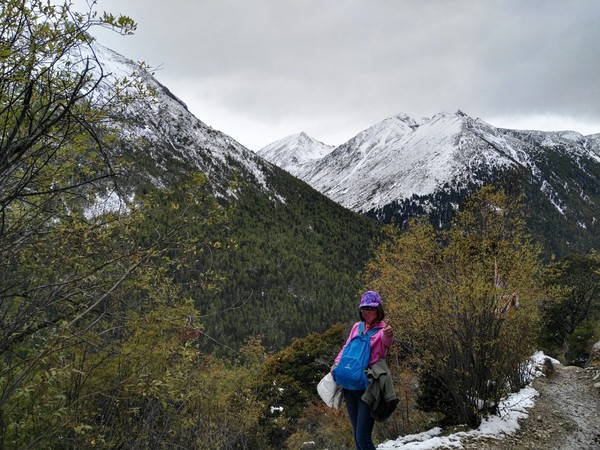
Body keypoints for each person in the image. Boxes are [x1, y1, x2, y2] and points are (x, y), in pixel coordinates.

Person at [333, 290, 393, 450]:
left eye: (371, 308)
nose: (367, 312)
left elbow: (386, 343)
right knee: (357, 437)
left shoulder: (382, 331)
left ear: (378, 309)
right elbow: (346, 347)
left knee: (363, 437)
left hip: (368, 387)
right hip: (350, 385)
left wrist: (389, 334)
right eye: (364, 308)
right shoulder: (357, 327)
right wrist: (337, 363)